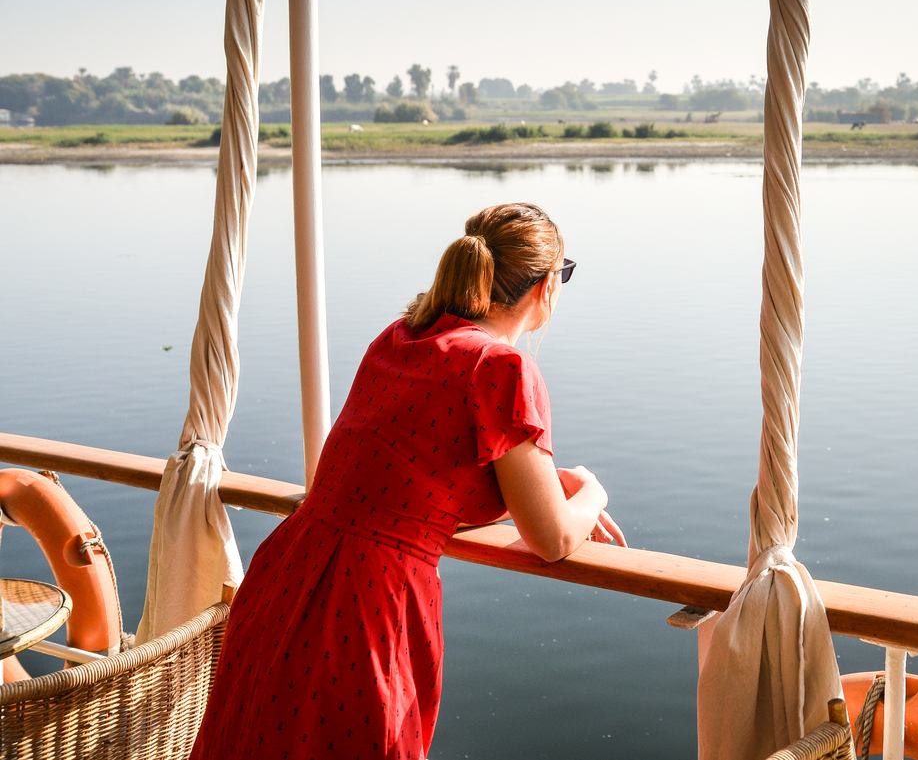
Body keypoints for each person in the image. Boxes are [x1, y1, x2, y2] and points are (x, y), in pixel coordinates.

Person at [188, 202, 623, 760]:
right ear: (543, 289)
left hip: (288, 572)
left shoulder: (401, 337)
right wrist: (590, 489)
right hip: (368, 602)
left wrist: (534, 481)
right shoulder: (501, 369)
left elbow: (404, 476)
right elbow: (554, 540)